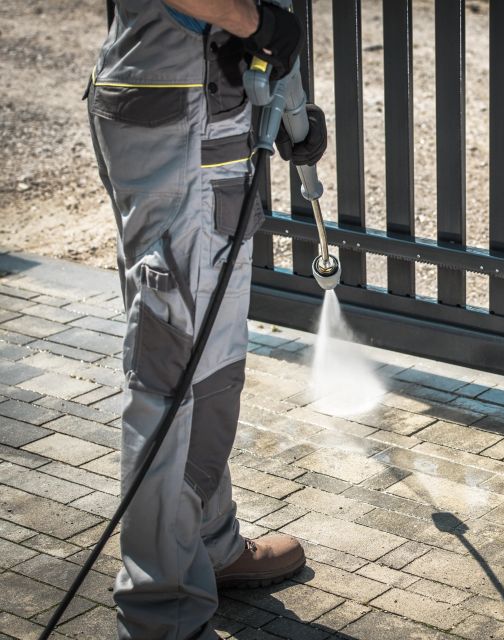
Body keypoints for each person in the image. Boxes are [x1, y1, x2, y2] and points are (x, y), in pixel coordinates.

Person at [86, 1, 327, 637]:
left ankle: (209, 543)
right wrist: (257, 24)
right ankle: (161, 608)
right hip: (183, 116)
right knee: (174, 369)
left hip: (178, 104)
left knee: (204, 358)